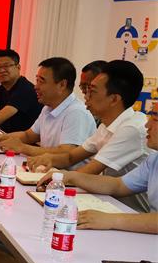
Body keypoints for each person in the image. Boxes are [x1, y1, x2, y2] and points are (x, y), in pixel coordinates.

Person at [28, 60, 150, 211]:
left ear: (114, 99)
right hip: (110, 201)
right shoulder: (106, 124)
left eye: (92, 91)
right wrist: (49, 159)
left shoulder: (132, 128)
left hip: (132, 211)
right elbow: (71, 157)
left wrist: (60, 177)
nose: (86, 96)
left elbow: (90, 170)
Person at [36, 109, 158, 233]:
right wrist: (70, 176)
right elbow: (118, 185)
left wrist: (112, 220)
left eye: (155, 119)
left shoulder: (132, 128)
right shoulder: (154, 159)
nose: (147, 125)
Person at [0, 57, 96, 164]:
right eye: (37, 80)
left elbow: (66, 152)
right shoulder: (48, 107)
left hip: (66, 178)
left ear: (62, 85)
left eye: (41, 81)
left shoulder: (76, 112)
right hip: (46, 170)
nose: (36, 86)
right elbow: (28, 135)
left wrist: (23, 148)